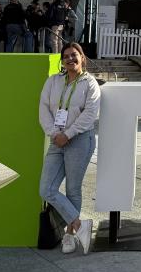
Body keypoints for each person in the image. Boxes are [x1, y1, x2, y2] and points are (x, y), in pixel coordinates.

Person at [38, 42, 101, 255]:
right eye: (66, 56)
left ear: (82, 58)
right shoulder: (53, 81)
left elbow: (90, 114)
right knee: (46, 189)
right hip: (57, 140)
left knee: (73, 189)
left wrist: (69, 134)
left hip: (80, 140)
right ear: (62, 61)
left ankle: (69, 236)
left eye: (74, 55)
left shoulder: (90, 84)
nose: (70, 59)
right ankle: (80, 225)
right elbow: (44, 109)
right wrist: (55, 134)